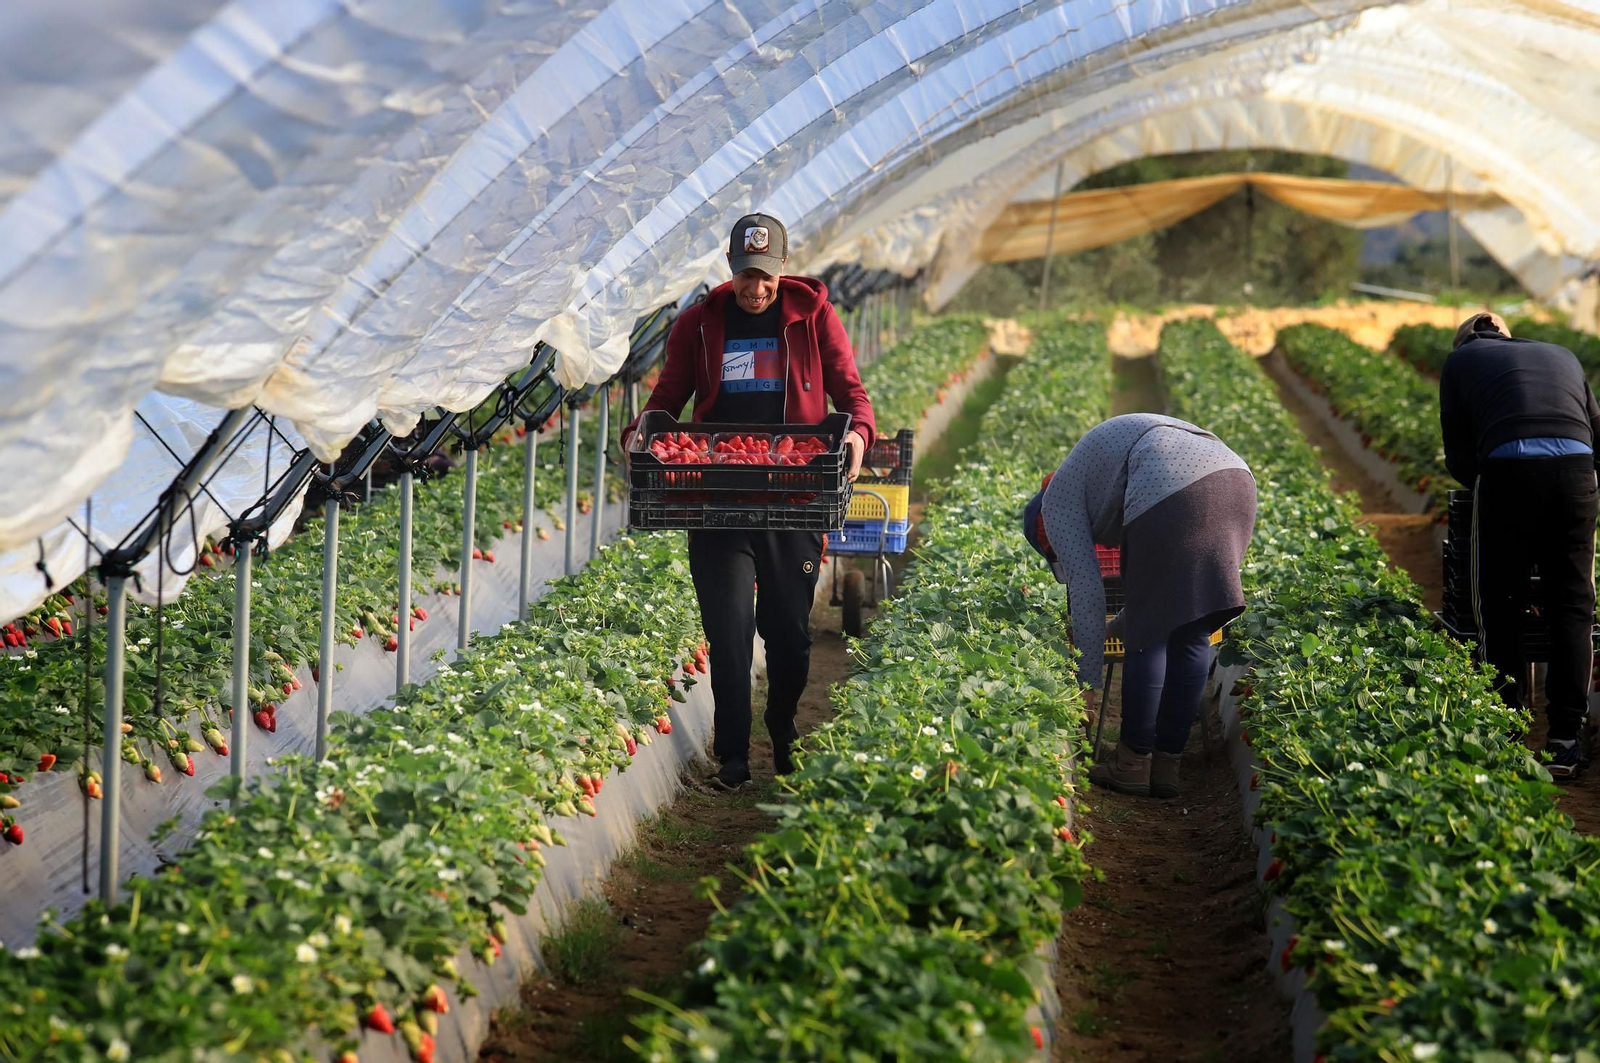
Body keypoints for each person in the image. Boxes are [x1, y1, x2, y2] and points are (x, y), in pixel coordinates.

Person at [620, 213, 875, 791]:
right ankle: (732, 757)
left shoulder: (813, 317)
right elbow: (667, 398)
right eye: (743, 276)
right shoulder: (699, 324)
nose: (754, 289)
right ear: (730, 270)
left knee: (789, 633)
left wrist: (858, 434)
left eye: (764, 276)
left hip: (794, 496)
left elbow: (851, 393)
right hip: (717, 495)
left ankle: (782, 727)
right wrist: (641, 430)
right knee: (728, 631)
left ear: (782, 269)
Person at [1021, 414, 1257, 798]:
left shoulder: (1056, 505)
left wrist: (1087, 684)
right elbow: (1162, 595)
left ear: (1045, 533)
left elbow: (1087, 592)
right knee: (1193, 628)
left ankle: (1131, 764)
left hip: (1168, 483)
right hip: (1235, 481)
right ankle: (1166, 766)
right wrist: (1113, 629)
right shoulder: (1089, 477)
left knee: (1151, 634)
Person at [1440, 312, 1600, 779]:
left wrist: (1494, 487)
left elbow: (1459, 455)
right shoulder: (1561, 354)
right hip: (1576, 473)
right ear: (1507, 336)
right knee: (1573, 605)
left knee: (1500, 602)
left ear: (1465, 341)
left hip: (1508, 475)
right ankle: (1566, 741)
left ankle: (1507, 734)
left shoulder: (1460, 363)